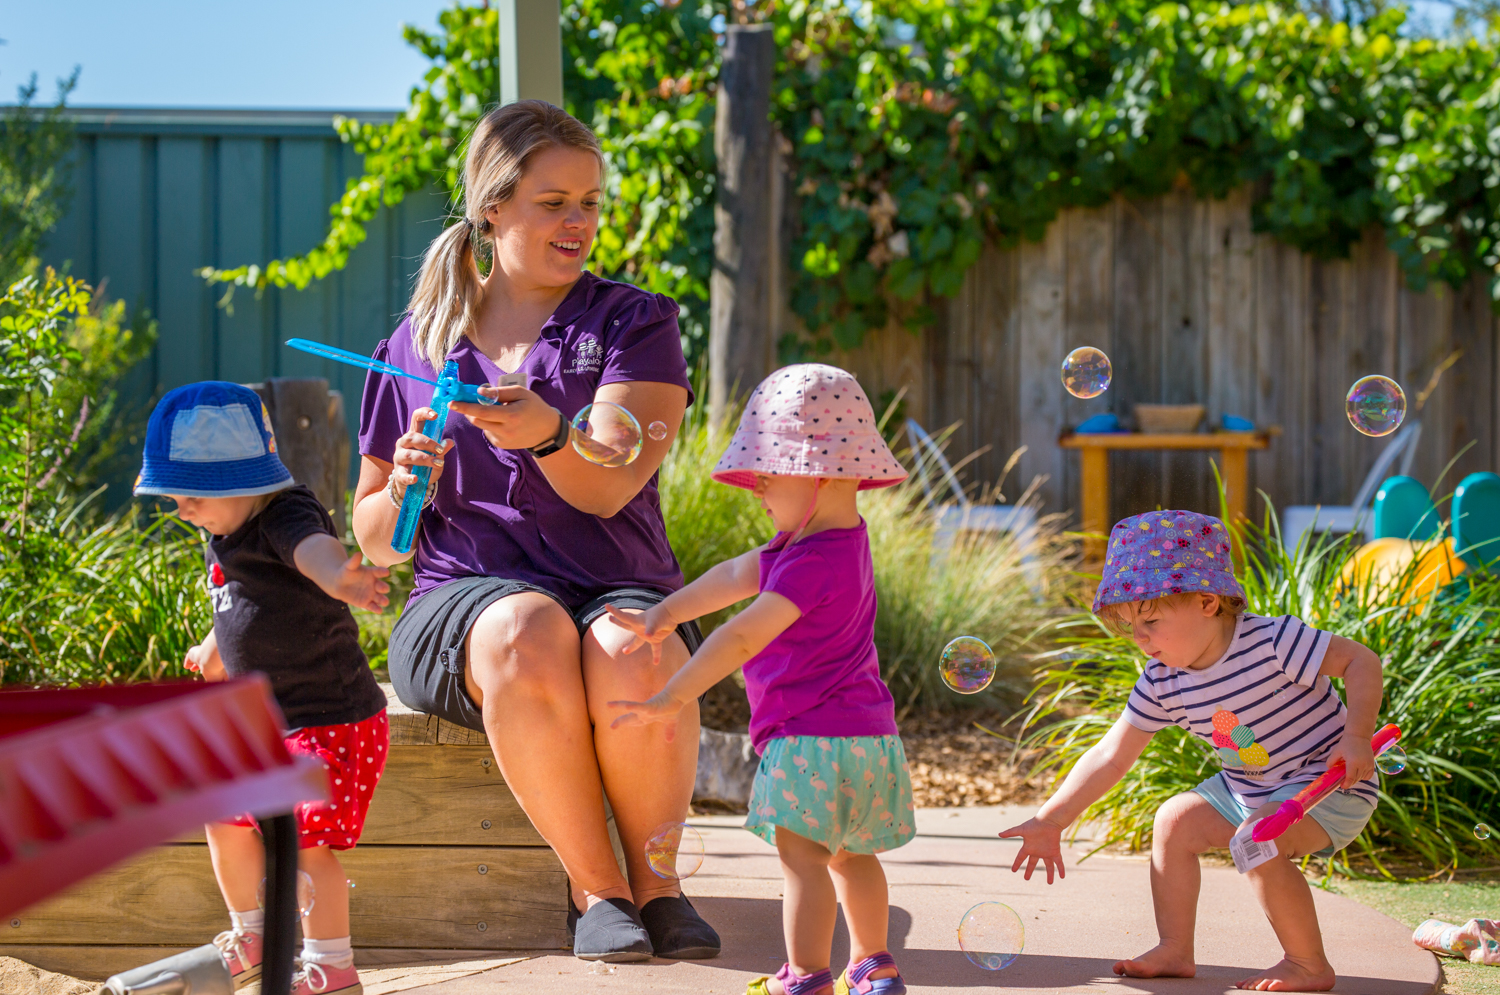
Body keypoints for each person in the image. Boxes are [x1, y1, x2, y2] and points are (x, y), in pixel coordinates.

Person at [353, 100, 717, 962]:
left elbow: (611, 484)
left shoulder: (635, 324)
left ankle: (660, 886)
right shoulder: (415, 344)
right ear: (492, 208)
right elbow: (374, 538)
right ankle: (601, 893)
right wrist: (404, 485)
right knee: (527, 628)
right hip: (465, 604)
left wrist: (552, 434)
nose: (579, 221)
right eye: (553, 202)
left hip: (612, 580)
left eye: (590, 202)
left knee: (636, 642)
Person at [608, 363, 916, 995]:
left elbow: (743, 633)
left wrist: (674, 694)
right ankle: (875, 963)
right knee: (854, 857)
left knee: (802, 862)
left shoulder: (807, 566)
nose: (759, 492)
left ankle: (804, 976)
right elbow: (731, 576)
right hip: (869, 741)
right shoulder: (836, 543)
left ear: (821, 475)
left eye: (769, 479)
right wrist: (662, 616)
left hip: (807, 744)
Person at [1000, 510, 1383, 993]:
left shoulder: (1272, 640)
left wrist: (1356, 736)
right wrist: (1052, 818)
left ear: (1207, 601)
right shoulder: (1162, 681)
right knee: (1174, 820)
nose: (1139, 638)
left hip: (1329, 785)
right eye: (1127, 626)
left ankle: (1307, 963)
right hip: (1250, 785)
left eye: (1151, 621)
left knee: (1256, 836)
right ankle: (1174, 948)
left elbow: (1360, 660)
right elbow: (1111, 755)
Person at [134, 381, 392, 995]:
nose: (182, 510)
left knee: (298, 839)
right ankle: (253, 937)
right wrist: (213, 647)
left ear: (240, 481)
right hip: (273, 729)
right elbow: (242, 603)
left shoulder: (285, 512)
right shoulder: (223, 532)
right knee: (220, 810)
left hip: (331, 721)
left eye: (191, 495)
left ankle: (332, 965)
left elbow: (314, 554)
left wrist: (342, 580)